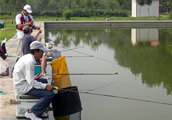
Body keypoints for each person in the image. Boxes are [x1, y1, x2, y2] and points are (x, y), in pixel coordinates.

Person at [13, 41, 56, 120]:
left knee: (44, 81)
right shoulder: (30, 61)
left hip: (23, 82)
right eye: (42, 51)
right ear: (36, 51)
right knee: (50, 94)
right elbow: (31, 83)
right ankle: (32, 113)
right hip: (23, 87)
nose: (43, 54)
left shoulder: (27, 57)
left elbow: (27, 76)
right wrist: (46, 87)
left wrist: (33, 77)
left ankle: (44, 104)